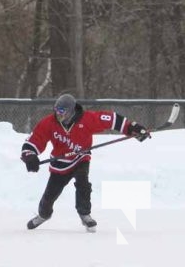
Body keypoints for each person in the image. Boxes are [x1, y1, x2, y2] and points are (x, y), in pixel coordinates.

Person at [20, 93, 151, 232]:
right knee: (50, 194)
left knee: (83, 184)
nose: (58, 114)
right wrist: (30, 156)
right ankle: (43, 215)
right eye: (56, 110)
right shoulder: (49, 122)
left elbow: (110, 119)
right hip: (59, 163)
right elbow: (35, 139)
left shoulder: (87, 119)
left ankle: (84, 214)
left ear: (71, 111)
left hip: (80, 158)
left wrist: (131, 128)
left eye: (62, 111)